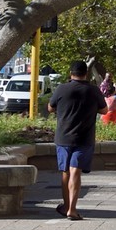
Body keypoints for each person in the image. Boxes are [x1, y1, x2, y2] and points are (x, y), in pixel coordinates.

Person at [48, 60, 105, 220]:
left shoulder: (61, 89)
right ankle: (72, 209)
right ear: (85, 74)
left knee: (65, 172)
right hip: (84, 138)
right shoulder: (93, 91)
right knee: (76, 171)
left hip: (63, 137)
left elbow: (50, 107)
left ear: (70, 73)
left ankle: (66, 207)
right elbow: (105, 109)